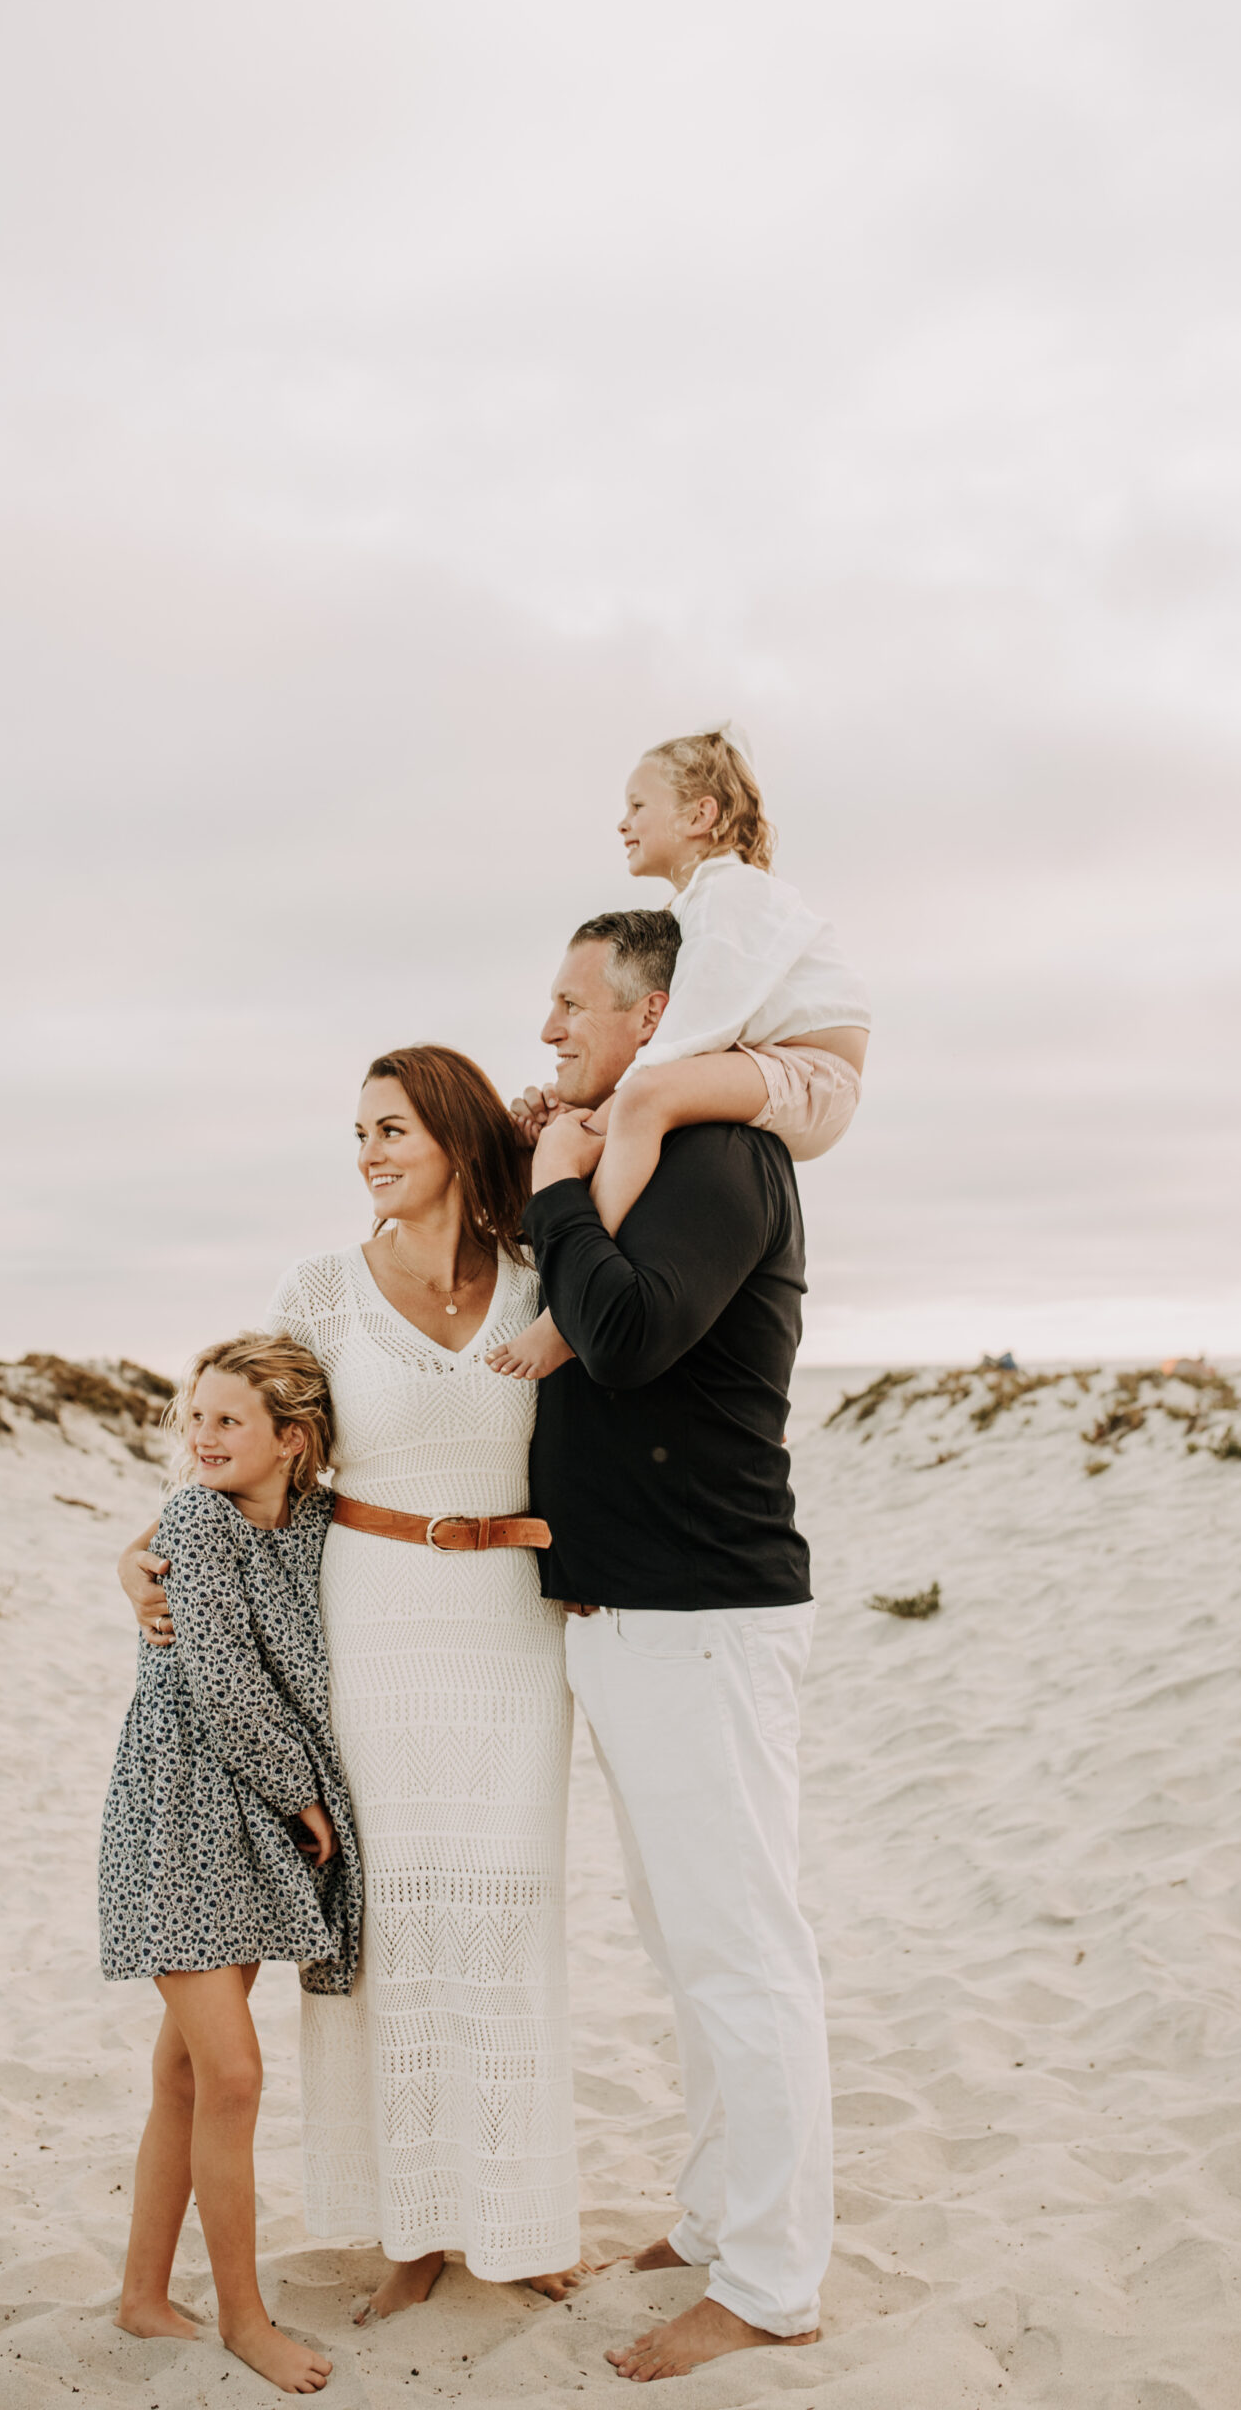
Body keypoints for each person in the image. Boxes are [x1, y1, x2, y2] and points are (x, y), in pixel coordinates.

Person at [118, 1047, 585, 2322]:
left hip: (509, 1630)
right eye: (360, 1132)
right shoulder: (318, 1290)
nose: (371, 1151)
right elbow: (257, 1461)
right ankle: (412, 2231)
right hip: (371, 1624)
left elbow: (592, 1452)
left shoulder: (544, 1285)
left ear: (451, 1135)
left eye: (393, 1127)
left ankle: (514, 2214)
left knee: (502, 1920)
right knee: (386, 1933)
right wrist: (150, 1549)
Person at [515, 908, 834, 2381]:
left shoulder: (718, 1156)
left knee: (739, 1957)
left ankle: (770, 2285)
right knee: (684, 1946)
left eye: (574, 1003)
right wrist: (556, 1167)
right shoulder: (627, 1145)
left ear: (654, 1014)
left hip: (701, 1618)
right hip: (629, 1617)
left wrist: (561, 1197)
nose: (550, 1027)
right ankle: (716, 2220)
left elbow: (631, 1336)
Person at [100, 1333, 361, 2393]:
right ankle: (245, 2319)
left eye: (227, 1421)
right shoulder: (199, 1521)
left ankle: (141, 2295)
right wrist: (304, 1795)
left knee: (183, 2073)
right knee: (236, 2074)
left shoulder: (317, 1521)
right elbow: (223, 1683)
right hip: (180, 1809)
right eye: (193, 1417)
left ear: (292, 1441)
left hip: (245, 1821)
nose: (201, 1438)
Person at [487, 724, 869, 1381]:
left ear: (700, 814)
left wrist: (596, 1121)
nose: (621, 823)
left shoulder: (731, 893)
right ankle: (574, 1272)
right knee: (642, 1098)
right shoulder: (695, 903)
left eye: (637, 805)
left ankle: (562, 1317)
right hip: (776, 1062)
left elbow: (695, 1028)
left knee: (645, 1096)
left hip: (812, 1073)